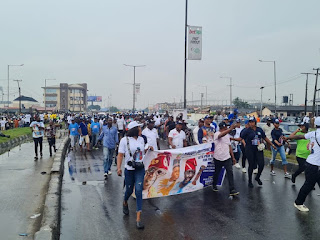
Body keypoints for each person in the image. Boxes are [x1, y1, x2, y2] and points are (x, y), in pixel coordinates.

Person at [285, 117, 320, 212]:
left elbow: (300, 136)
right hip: (314, 165)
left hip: (312, 163)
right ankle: (298, 202)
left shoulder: (313, 133)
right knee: (308, 185)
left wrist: (289, 137)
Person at [117, 121, 147, 229]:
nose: (141, 129)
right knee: (129, 190)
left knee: (138, 190)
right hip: (129, 170)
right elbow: (120, 155)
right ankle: (125, 202)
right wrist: (118, 168)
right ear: (135, 129)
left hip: (140, 169)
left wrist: (148, 149)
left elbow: (141, 153)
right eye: (139, 127)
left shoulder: (142, 139)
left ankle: (138, 219)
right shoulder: (124, 140)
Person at [240, 117, 275, 188]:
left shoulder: (259, 130)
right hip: (249, 149)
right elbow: (241, 138)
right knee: (251, 164)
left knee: (261, 164)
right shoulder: (246, 130)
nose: (251, 123)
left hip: (258, 149)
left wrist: (272, 144)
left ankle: (257, 177)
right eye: (250, 122)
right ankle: (250, 181)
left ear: (255, 122)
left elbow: (265, 137)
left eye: (252, 122)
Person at [212, 122, 239, 196]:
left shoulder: (227, 135)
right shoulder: (216, 134)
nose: (226, 128)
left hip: (227, 157)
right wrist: (230, 129)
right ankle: (214, 184)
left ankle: (232, 190)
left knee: (230, 172)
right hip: (218, 157)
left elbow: (229, 146)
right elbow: (221, 135)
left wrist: (233, 157)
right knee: (217, 172)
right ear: (222, 128)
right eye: (225, 127)